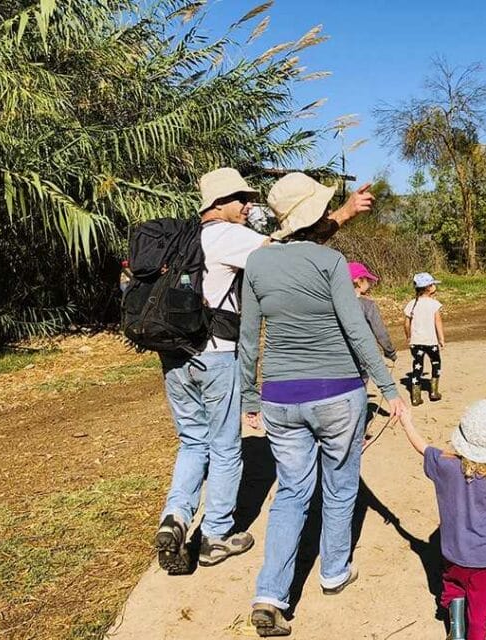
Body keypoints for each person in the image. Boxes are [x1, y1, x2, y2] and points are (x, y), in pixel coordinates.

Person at [154, 168, 371, 576]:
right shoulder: (232, 237)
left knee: (191, 441)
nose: (248, 205)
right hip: (215, 354)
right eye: (241, 199)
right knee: (223, 446)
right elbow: (293, 250)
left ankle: (176, 515)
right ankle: (216, 534)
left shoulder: (182, 239)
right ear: (218, 204)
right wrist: (342, 215)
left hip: (173, 357)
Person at [239, 173, 407, 637]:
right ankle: (333, 571)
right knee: (339, 483)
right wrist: (388, 388)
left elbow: (249, 338)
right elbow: (356, 330)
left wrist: (250, 396)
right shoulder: (331, 262)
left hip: (279, 398)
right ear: (316, 214)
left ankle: (270, 593)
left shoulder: (257, 264)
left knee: (291, 492)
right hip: (338, 393)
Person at [398, 400, 486, 640]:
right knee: (479, 615)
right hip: (483, 561)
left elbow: (422, 447)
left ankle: (455, 630)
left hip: (452, 552)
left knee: (454, 586)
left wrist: (407, 422)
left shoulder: (446, 465)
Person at [404, 272, 445, 406]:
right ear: (428, 288)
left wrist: (409, 336)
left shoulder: (412, 304)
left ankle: (415, 396)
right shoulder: (434, 304)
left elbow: (406, 323)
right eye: (433, 284)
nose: (434, 286)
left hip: (416, 342)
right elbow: (438, 322)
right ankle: (433, 392)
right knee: (436, 363)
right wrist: (441, 339)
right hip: (431, 342)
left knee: (417, 366)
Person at [350, 262, 397, 364]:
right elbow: (380, 332)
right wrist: (390, 352)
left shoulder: (334, 304)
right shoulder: (368, 305)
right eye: (367, 280)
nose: (369, 283)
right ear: (359, 281)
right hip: (362, 354)